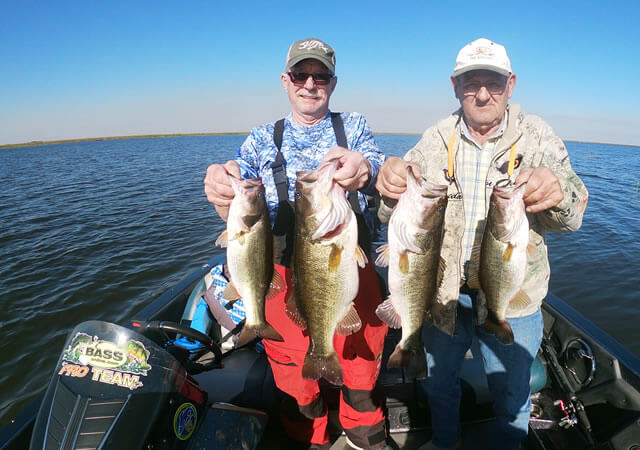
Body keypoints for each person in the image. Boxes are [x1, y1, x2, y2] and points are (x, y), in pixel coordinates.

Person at [375, 38, 589, 450]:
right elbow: (393, 210)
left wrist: (558, 189)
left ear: (510, 84)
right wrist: (390, 181)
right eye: (471, 83)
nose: (483, 93)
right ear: (455, 87)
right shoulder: (437, 138)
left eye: (492, 82)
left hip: (514, 298)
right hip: (443, 294)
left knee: (513, 394)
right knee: (439, 385)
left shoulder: (537, 136)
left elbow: (575, 215)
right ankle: (445, 443)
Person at [204, 38, 390, 450]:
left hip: (345, 265)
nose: (310, 83)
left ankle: (365, 434)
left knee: (360, 356)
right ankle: (311, 438)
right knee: (292, 368)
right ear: (285, 81)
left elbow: (374, 164)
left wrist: (367, 168)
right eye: (301, 75)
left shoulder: (354, 126)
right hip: (280, 272)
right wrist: (223, 176)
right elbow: (239, 172)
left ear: (333, 82)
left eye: (320, 75)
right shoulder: (261, 138)